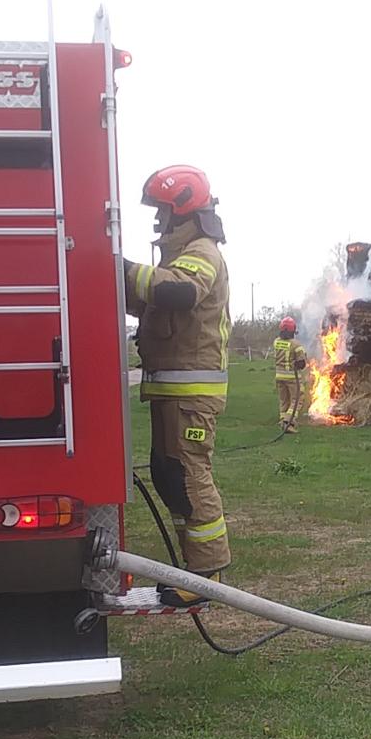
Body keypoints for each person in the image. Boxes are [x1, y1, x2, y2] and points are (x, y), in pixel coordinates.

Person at [123, 165, 232, 607]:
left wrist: (123, 268)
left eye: (161, 211)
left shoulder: (201, 251)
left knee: (189, 478)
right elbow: (151, 296)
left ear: (181, 208)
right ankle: (195, 567)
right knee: (171, 478)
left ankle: (207, 575)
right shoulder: (177, 255)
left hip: (191, 394)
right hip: (172, 391)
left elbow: (181, 292)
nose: (156, 222)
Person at [271, 317, 308, 433]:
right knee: (297, 399)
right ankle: (289, 422)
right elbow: (301, 363)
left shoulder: (276, 342)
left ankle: (282, 420)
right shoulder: (296, 345)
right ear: (293, 331)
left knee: (284, 400)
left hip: (279, 376)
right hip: (292, 377)